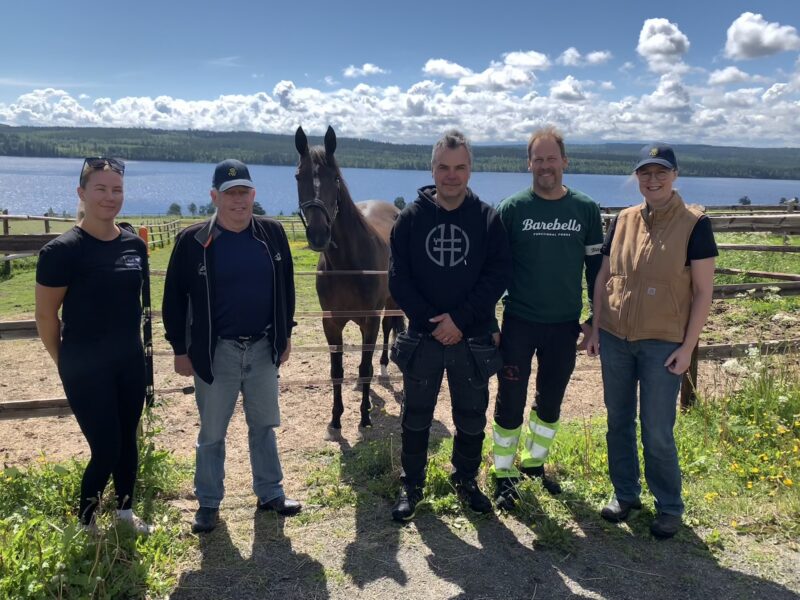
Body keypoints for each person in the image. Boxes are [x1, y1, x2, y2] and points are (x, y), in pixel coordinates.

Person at [587, 143, 717, 539]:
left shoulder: (694, 224)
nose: (653, 180)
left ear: (675, 175)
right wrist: (595, 326)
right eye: (646, 173)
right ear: (637, 178)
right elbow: (604, 276)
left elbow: (703, 292)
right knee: (618, 421)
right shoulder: (623, 220)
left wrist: (687, 346)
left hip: (663, 344)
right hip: (616, 338)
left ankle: (669, 506)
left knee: (657, 429)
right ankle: (625, 494)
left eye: (661, 172)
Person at [162, 159, 299, 534]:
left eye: (244, 193)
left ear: (254, 195)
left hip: (262, 346)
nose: (238, 201)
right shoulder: (193, 241)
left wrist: (285, 333)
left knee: (264, 425)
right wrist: (179, 348)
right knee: (211, 431)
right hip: (214, 350)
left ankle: (271, 492)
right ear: (214, 197)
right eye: (230, 194)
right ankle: (208, 502)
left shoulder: (272, 234)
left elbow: (286, 287)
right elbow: (173, 298)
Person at [388, 129, 512, 522]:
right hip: (423, 337)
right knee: (416, 414)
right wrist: (433, 321)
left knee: (472, 414)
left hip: (471, 338)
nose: (451, 175)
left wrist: (459, 320)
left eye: (459, 167)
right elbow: (398, 279)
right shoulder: (409, 219)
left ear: (470, 170)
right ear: (432, 169)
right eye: (444, 167)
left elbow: (497, 276)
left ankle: (466, 480)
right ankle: (412, 485)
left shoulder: (488, 219)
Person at [35, 157, 153, 534]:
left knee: (128, 441)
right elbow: (45, 317)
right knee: (107, 448)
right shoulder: (61, 251)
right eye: (100, 189)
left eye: (116, 189)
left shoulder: (134, 245)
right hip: (84, 366)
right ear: (82, 193)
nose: (109, 197)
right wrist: (64, 361)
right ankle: (85, 524)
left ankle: (124, 515)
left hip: (130, 361)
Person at [491, 125, 603, 508]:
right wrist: (491, 322)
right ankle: (503, 473)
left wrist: (595, 321)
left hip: (564, 325)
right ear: (529, 164)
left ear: (564, 161)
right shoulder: (513, 209)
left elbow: (596, 271)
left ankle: (534, 464)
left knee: (551, 399)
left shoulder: (585, 209)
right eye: (537, 159)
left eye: (551, 158)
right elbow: (494, 270)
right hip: (519, 322)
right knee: (510, 398)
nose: (544, 166)